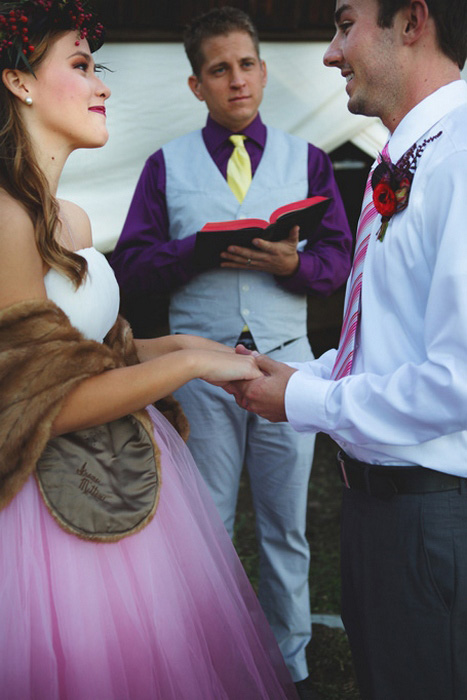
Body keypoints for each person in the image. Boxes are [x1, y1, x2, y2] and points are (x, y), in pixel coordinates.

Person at [0, 2, 303, 698]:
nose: (103, 87)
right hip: (43, 516)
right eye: (81, 67)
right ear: (19, 83)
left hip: (123, 478)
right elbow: (39, 399)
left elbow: (99, 353)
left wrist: (193, 343)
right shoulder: (7, 217)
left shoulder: (71, 217)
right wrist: (192, 365)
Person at [226, 1, 467, 699]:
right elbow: (391, 341)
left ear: (411, 20)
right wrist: (304, 374)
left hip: (432, 514)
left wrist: (305, 398)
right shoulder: (405, 157)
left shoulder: (458, 158)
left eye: (342, 23)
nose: (331, 52)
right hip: (380, 513)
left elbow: (457, 381)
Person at [110, 8, 351, 694]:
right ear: (196, 85)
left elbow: (339, 261)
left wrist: (291, 267)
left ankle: (292, 658)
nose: (235, 80)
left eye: (245, 64)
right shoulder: (164, 166)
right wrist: (196, 250)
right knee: (206, 521)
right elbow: (131, 267)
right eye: (218, 69)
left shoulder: (307, 160)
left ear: (264, 71)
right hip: (198, 369)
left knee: (285, 523)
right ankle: (205, 661)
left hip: (288, 363)